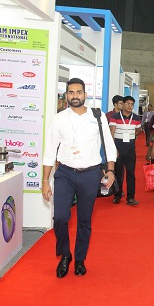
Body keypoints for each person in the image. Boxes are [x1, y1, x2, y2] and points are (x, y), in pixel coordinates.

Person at [41, 78, 117, 278]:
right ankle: (65, 255)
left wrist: (110, 170)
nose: (75, 96)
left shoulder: (97, 116)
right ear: (66, 95)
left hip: (90, 174)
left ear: (85, 94)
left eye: (78, 92)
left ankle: (80, 259)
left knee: (84, 219)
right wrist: (45, 181)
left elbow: (109, 145)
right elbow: (49, 152)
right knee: (60, 218)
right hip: (65, 174)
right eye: (71, 92)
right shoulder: (58, 119)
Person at [109, 96, 142, 206]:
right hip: (118, 148)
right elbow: (112, 133)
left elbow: (138, 130)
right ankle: (117, 195)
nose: (130, 106)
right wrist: (114, 149)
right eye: (128, 103)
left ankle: (131, 198)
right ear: (122, 104)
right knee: (119, 174)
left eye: (132, 104)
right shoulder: (115, 117)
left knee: (131, 174)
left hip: (131, 149)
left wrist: (132, 135)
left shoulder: (136, 118)